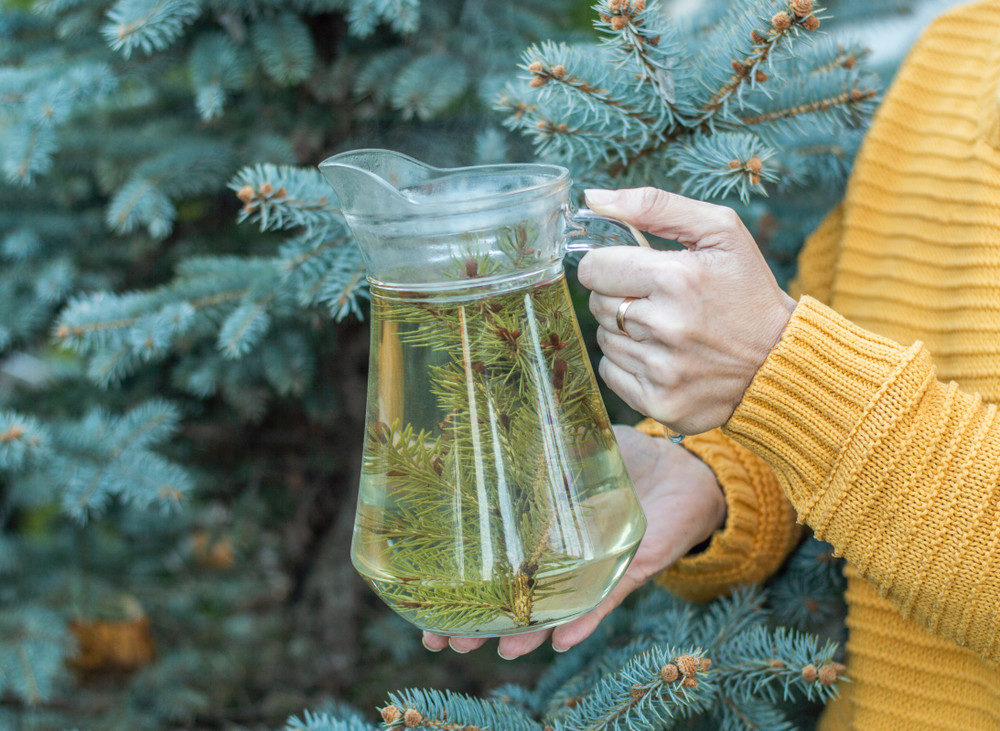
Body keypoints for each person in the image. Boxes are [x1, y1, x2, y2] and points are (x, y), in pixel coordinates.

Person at [423, 1, 1000, 727]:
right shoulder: (955, 50)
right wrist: (712, 473)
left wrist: (774, 371)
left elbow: (808, 379)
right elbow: (851, 377)